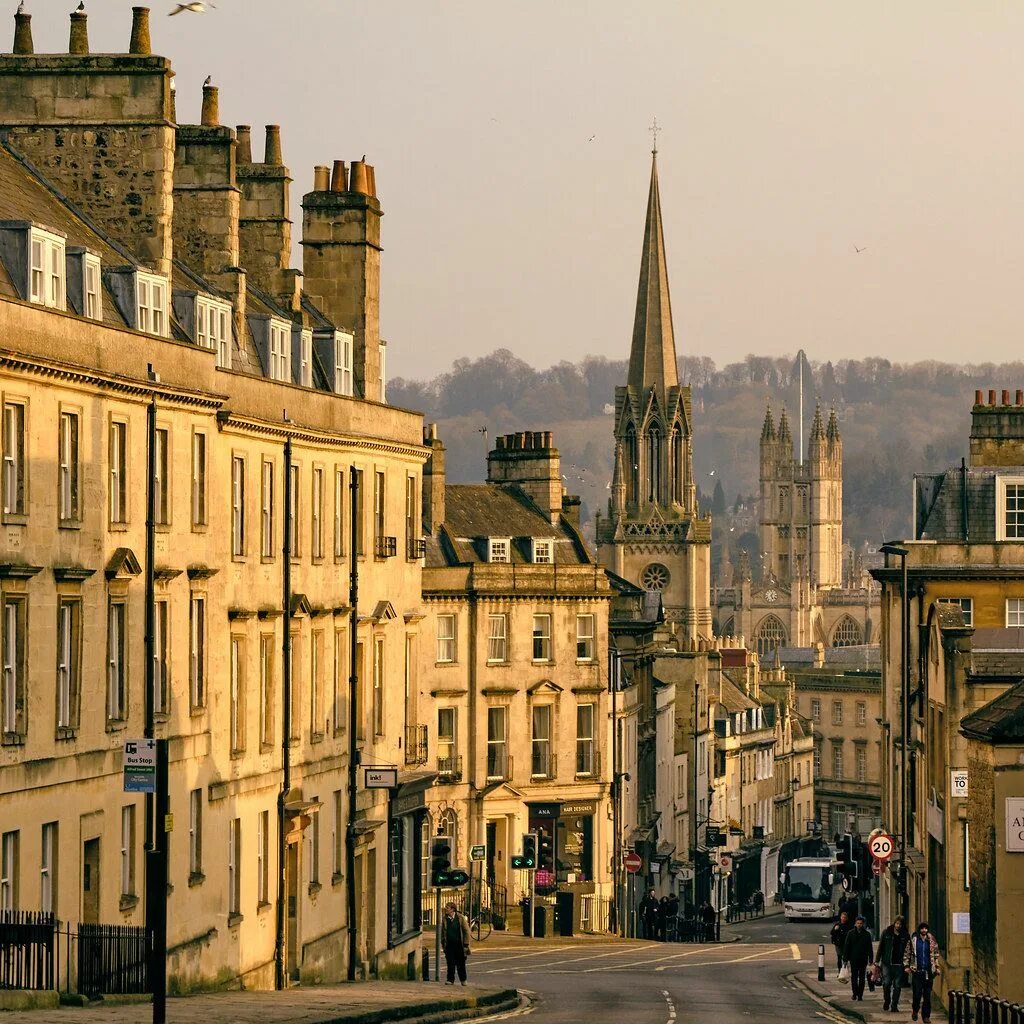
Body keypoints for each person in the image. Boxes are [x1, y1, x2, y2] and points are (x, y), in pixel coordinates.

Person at [903, 921, 940, 1023]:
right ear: (919, 930)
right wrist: (906, 966)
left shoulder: (931, 941)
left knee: (927, 996)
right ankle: (915, 1010)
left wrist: (936, 967)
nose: (924, 930)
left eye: (925, 928)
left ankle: (926, 1016)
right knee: (917, 995)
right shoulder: (913, 941)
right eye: (922, 928)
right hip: (917, 972)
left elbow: (936, 955)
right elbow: (907, 953)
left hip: (928, 972)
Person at [877, 915, 910, 1012]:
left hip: (899, 964)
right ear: (894, 923)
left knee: (897, 986)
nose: (898, 926)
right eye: (897, 923)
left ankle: (894, 1005)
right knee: (886, 984)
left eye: (900, 924)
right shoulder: (886, 932)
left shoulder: (905, 935)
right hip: (887, 963)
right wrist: (876, 961)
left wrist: (907, 964)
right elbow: (881, 947)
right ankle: (887, 1001)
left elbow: (908, 951)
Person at [842, 915, 874, 1002]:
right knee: (854, 977)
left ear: (863, 924)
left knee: (862, 978)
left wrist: (871, 960)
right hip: (853, 959)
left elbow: (869, 948)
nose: (859, 925)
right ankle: (854, 993)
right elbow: (847, 947)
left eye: (861, 923)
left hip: (863, 959)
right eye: (858, 923)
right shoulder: (850, 933)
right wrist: (845, 959)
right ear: (855, 924)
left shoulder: (867, 935)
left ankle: (860, 995)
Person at [440, 901, 471, 986]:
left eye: (447, 907)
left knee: (461, 963)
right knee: (450, 963)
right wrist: (443, 945)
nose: (446, 909)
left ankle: (463, 979)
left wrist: (466, 944)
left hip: (459, 944)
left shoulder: (460, 918)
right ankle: (450, 979)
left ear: (453, 909)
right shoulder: (444, 919)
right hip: (449, 944)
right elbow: (442, 932)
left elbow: (466, 931)